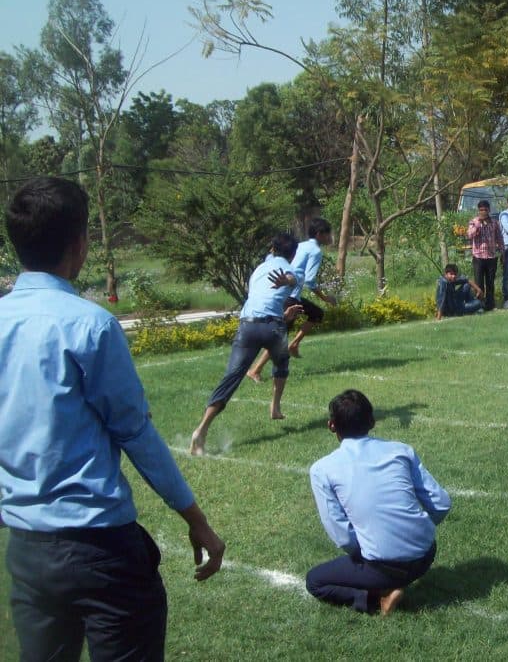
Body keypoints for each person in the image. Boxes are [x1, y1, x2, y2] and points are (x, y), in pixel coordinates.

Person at [0, 177, 225, 661]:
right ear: (80, 244)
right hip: (100, 549)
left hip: (27, 550)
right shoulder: (89, 324)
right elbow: (135, 432)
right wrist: (196, 519)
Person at [306, 389, 451, 614]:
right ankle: (388, 581)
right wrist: (418, 530)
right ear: (372, 422)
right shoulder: (401, 451)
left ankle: (379, 598)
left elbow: (342, 535)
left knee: (315, 581)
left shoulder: (322, 470)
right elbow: (441, 503)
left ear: (331, 425)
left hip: (382, 567)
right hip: (425, 555)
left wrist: (375, 549)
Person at [190, 233, 302, 456]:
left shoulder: (258, 270)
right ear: (293, 254)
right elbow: (292, 279)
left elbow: (261, 299)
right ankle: (275, 407)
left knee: (232, 377)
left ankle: (201, 430)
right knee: (281, 362)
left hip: (248, 327)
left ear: (272, 249)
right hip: (273, 328)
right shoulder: (289, 268)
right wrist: (287, 284)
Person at [247, 218, 338, 382]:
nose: (330, 237)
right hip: (289, 295)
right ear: (319, 235)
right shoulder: (316, 251)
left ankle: (294, 344)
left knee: (316, 314)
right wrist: (326, 298)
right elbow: (310, 281)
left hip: (283, 292)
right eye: (327, 234)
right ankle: (255, 370)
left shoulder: (301, 245)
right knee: (280, 335)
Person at [466, 200, 501, 311]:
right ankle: (480, 305)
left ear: (489, 210)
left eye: (485, 210)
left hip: (491, 256)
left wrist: (502, 251)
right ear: (478, 211)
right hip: (478, 257)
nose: (483, 212)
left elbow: (499, 238)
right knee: (479, 282)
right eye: (481, 210)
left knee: (490, 282)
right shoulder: (473, 222)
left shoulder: (494, 223)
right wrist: (478, 224)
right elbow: (470, 235)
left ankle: (491, 304)